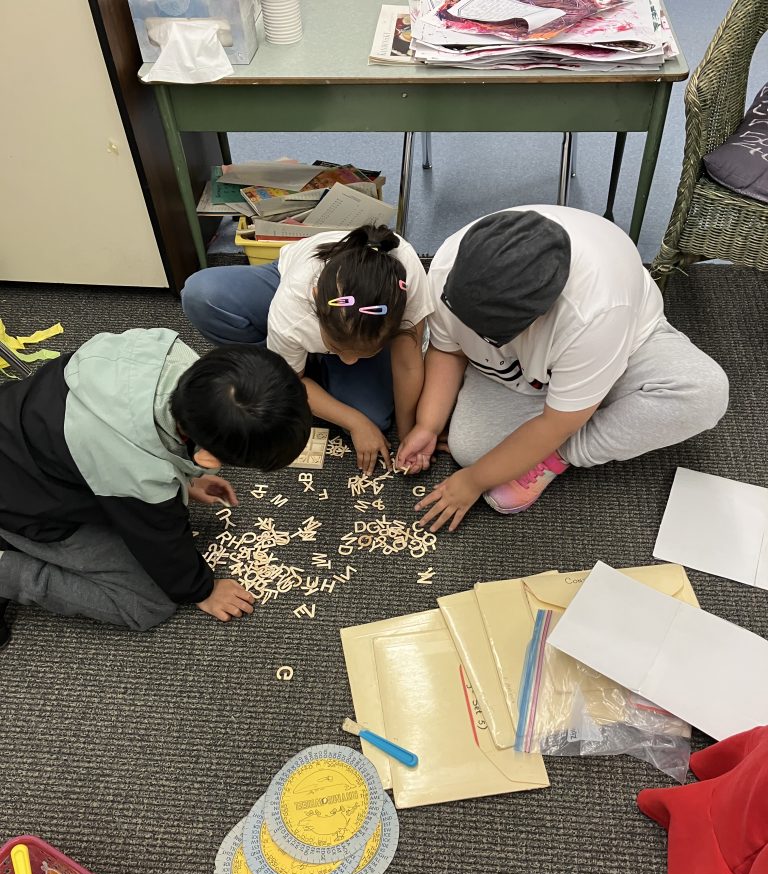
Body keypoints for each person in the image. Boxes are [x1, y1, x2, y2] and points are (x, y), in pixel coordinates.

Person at [396, 206, 730, 532]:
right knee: (470, 450)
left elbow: (557, 424)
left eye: (489, 335)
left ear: (541, 314)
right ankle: (580, 405)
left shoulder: (595, 314)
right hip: (518, 374)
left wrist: (473, 482)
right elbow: (448, 351)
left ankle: (561, 452)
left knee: (702, 392)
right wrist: (428, 425)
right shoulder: (448, 264)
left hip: (618, 344)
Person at [0, 329, 312, 649]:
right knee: (148, 605)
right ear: (206, 456)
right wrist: (202, 590)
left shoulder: (172, 355)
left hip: (21, 420)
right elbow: (159, 540)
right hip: (21, 504)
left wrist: (187, 477)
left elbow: (150, 430)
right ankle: (6, 570)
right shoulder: (137, 473)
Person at [181, 224, 434, 476]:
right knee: (203, 295)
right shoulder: (293, 305)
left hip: (358, 323)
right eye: (336, 347)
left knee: (376, 417)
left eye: (363, 353)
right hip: (290, 287)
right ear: (315, 299)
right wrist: (355, 421)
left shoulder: (406, 280)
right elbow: (289, 383)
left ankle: (312, 359)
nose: (349, 360)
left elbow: (407, 364)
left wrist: (409, 432)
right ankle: (284, 357)